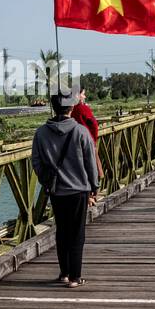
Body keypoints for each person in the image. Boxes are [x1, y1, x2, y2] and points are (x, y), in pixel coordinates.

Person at [31, 87, 99, 287]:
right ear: (71, 108)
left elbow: (36, 161)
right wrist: (94, 186)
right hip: (79, 190)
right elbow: (90, 163)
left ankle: (64, 273)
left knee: (61, 231)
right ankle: (76, 277)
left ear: (53, 107)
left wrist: (47, 180)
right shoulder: (80, 131)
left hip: (56, 190)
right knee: (77, 233)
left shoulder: (41, 133)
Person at [72, 87, 103, 180]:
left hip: (74, 144)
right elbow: (94, 125)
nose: (85, 96)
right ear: (78, 95)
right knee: (91, 168)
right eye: (83, 94)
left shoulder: (70, 110)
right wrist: (93, 140)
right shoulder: (83, 108)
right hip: (87, 142)